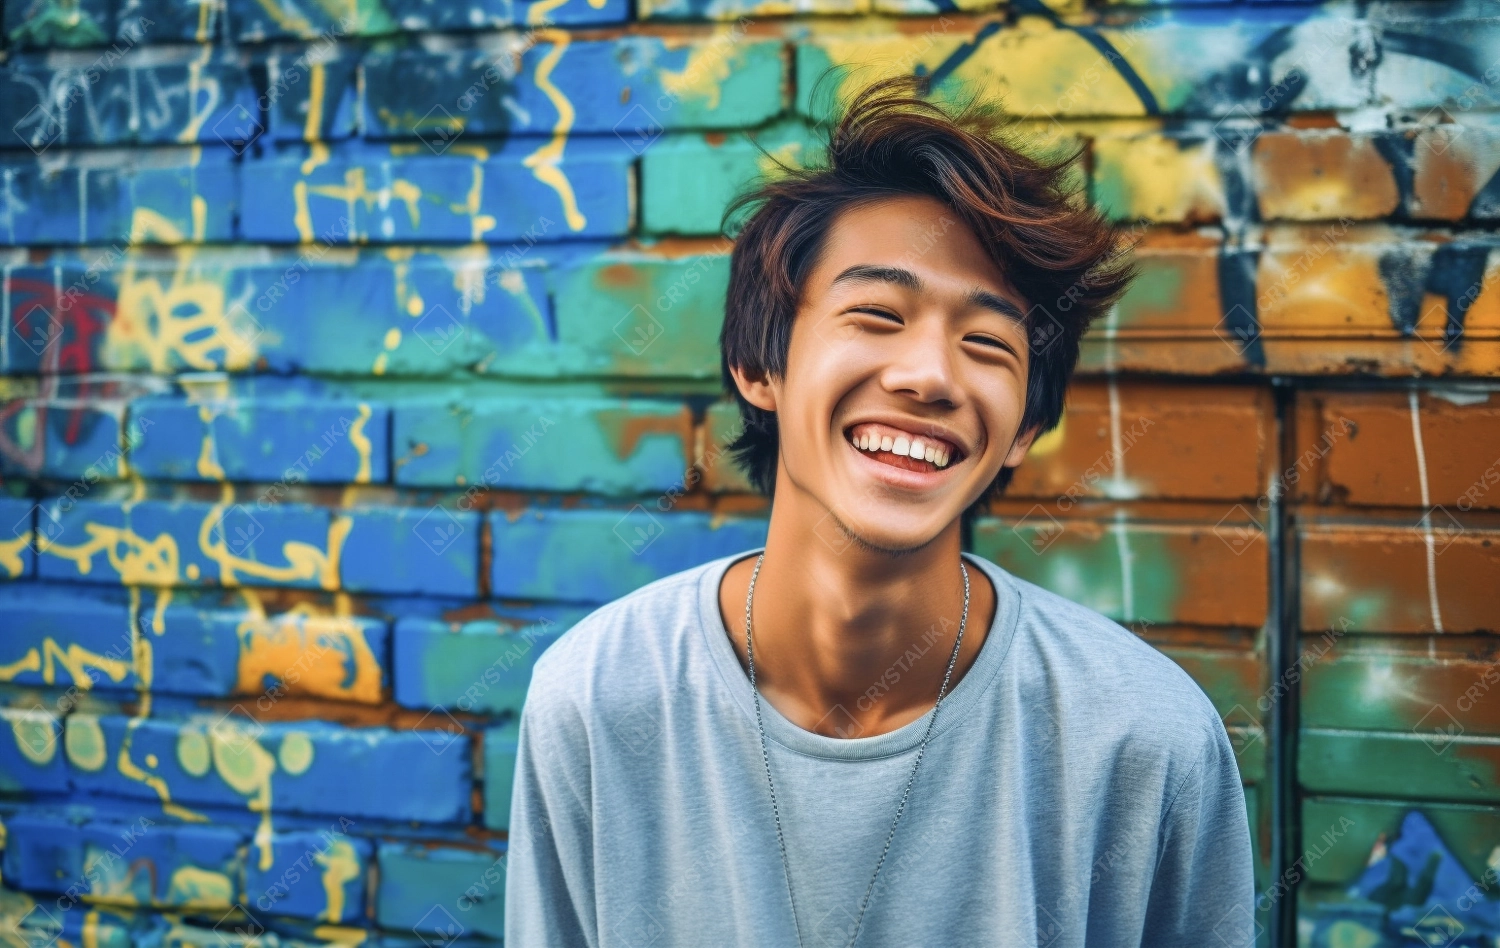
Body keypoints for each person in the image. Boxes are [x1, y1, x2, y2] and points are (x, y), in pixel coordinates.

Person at [504, 76, 1257, 947]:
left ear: (1025, 428)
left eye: (985, 343)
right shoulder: (597, 698)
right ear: (759, 366)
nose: (930, 376)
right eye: (875, 313)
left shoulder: (1145, 743)